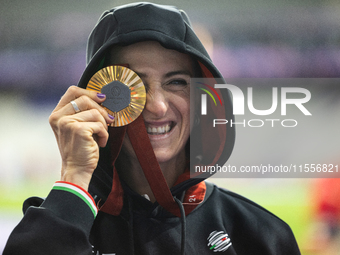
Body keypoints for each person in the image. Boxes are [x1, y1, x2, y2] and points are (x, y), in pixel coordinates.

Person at [4, 2, 300, 255]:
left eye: (176, 82)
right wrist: (75, 178)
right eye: (132, 85)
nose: (157, 106)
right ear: (98, 95)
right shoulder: (57, 226)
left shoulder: (262, 235)